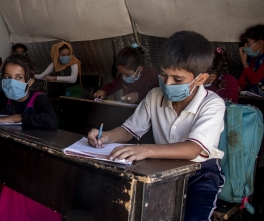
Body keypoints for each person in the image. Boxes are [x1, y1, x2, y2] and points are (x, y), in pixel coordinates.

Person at [87, 31, 225, 221]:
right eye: (163, 75)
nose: (167, 84)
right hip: (161, 168)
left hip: (200, 173)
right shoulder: (154, 96)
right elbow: (129, 130)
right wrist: (106, 137)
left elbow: (193, 149)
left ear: (200, 79)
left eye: (177, 80)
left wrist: (146, 150)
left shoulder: (213, 104)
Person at [0, 54, 60, 221]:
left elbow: (51, 121)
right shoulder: (3, 99)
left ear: (29, 82)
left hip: (33, 162)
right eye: (7, 77)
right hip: (8, 156)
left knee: (15, 183)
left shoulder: (39, 99)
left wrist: (18, 117)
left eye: (19, 77)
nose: (12, 81)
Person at [93, 44, 159, 104]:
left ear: (140, 69)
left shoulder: (153, 76)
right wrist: (104, 91)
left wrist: (139, 96)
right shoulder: (122, 77)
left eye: (127, 75)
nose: (123, 78)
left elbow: (159, 96)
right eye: (121, 74)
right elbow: (113, 86)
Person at [237, 24, 264, 96]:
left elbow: (254, 80)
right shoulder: (250, 60)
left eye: (249, 43)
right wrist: (236, 88)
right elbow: (242, 81)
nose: (246, 47)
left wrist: (244, 64)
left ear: (260, 43)